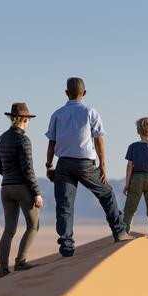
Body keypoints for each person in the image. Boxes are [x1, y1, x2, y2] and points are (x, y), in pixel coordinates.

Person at [45, 77, 133, 257]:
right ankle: (120, 232)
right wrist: (103, 164)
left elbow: (51, 143)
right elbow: (99, 139)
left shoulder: (57, 114)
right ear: (84, 93)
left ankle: (67, 248)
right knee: (106, 194)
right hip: (85, 163)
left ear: (66, 93)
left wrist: (49, 165)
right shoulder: (90, 112)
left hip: (63, 163)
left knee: (64, 205)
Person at [0, 102, 43, 278]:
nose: (28, 123)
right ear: (23, 120)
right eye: (28, 120)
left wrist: (8, 175)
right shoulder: (23, 140)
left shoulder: (2, 138)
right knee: (34, 225)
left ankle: (3, 269)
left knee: (9, 230)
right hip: (22, 187)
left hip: (5, 188)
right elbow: (28, 169)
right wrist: (36, 192)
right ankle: (20, 262)